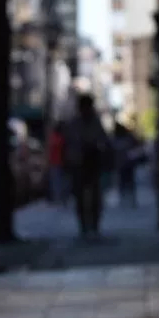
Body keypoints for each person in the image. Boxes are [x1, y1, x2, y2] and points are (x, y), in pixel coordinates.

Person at [63, 94, 111, 238]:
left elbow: (103, 141)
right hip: (80, 164)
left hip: (92, 163)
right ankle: (85, 226)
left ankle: (92, 226)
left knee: (94, 196)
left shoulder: (93, 122)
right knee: (81, 197)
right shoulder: (76, 123)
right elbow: (69, 144)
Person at [46, 120, 66, 205]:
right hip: (56, 162)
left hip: (58, 162)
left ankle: (58, 197)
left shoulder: (57, 138)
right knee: (57, 181)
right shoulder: (58, 138)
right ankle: (58, 197)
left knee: (57, 181)